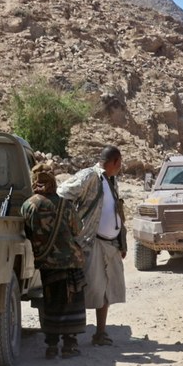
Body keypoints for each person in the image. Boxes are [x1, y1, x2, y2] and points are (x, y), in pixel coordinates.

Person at [57, 145, 127, 346]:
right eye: (120, 163)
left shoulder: (110, 180)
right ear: (114, 162)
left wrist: (121, 243)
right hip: (91, 243)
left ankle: (100, 333)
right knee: (86, 288)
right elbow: (63, 192)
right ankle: (73, 335)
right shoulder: (90, 176)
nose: (120, 167)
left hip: (110, 244)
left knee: (105, 290)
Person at [21, 163, 86, 359]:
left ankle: (51, 346)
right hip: (71, 262)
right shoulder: (65, 204)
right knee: (71, 303)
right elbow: (78, 230)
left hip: (48, 265)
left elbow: (26, 232)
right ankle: (70, 344)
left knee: (51, 304)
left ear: (35, 181)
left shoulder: (28, 205)